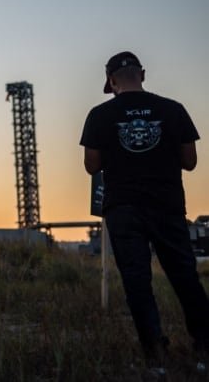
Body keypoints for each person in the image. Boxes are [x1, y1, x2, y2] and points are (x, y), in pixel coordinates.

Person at [80, 51, 209, 373]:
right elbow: (190, 162)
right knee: (185, 276)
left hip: (123, 208)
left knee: (137, 280)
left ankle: (154, 354)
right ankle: (205, 345)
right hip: (166, 205)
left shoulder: (99, 114)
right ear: (143, 74)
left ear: (111, 81)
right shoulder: (173, 109)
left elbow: (91, 165)